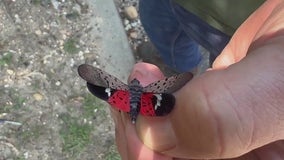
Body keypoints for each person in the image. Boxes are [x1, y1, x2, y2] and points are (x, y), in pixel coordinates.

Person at [112, 0, 284, 159]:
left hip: (236, 22)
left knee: (222, 75)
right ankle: (175, 66)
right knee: (157, 23)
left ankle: (180, 77)